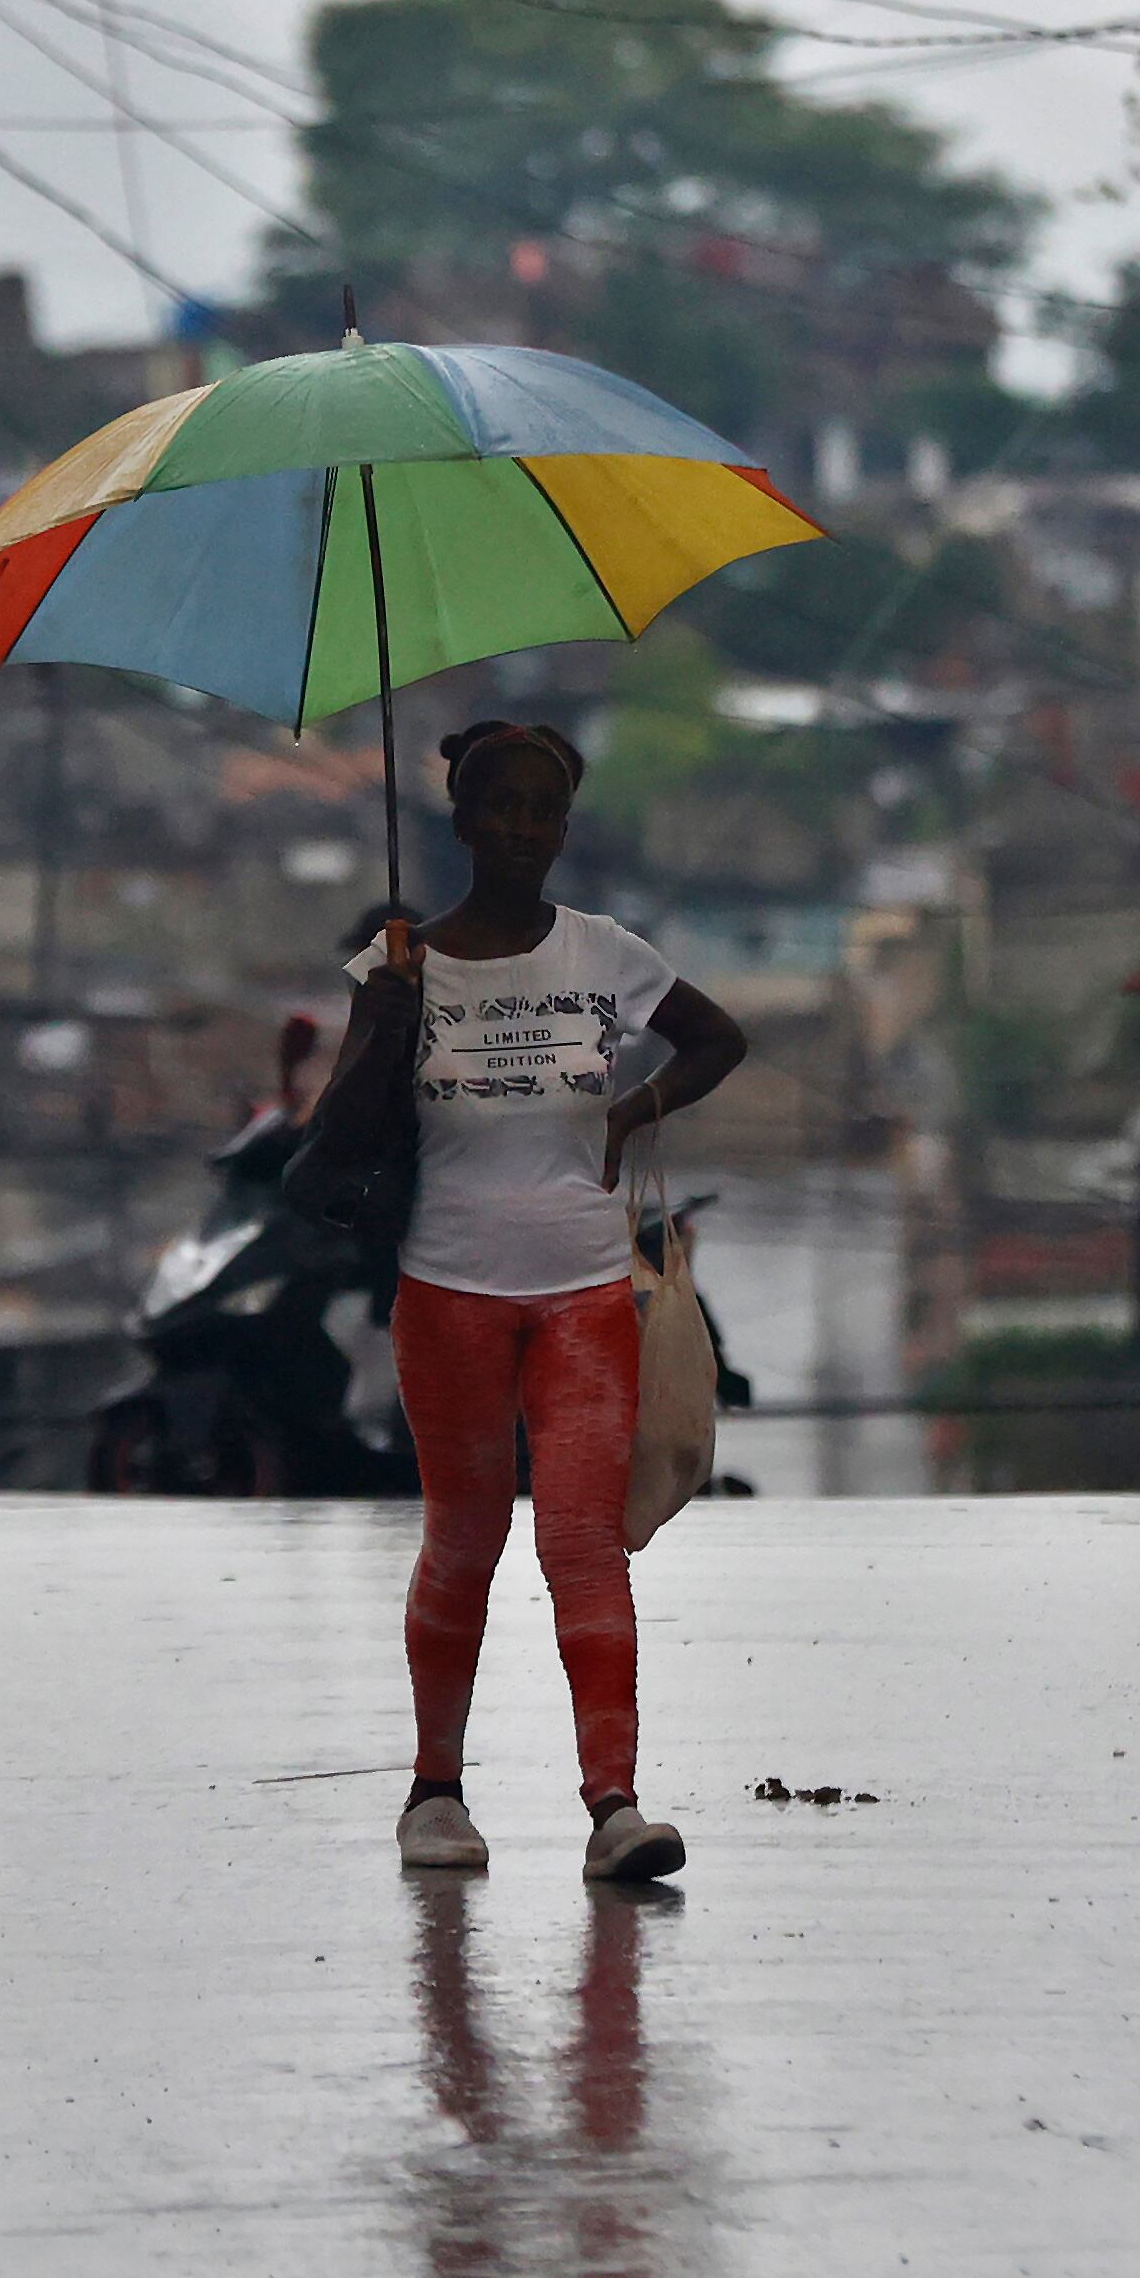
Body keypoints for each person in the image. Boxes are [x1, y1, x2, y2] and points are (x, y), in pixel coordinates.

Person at [336, 719, 745, 1885]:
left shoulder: (606, 952)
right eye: (498, 806)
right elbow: (342, 1130)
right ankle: (435, 1793)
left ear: (562, 829)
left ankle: (613, 1805)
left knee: (581, 1544)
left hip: (581, 1291)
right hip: (446, 1289)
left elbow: (718, 1038)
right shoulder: (397, 961)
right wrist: (388, 1012)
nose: (520, 827)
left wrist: (632, 1112)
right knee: (462, 1541)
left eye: (541, 809)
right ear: (459, 820)